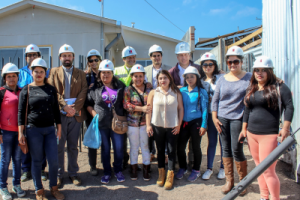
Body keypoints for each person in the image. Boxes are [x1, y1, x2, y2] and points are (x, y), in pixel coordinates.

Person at [239, 56, 294, 200]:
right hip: (252, 135)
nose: (259, 73)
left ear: (270, 71)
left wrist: (286, 128)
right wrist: (244, 129)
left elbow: (289, 106)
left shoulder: (279, 87)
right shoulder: (252, 87)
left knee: (268, 171)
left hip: (268, 136)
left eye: (264, 70)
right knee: (259, 168)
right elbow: (247, 109)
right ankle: (264, 196)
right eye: (257, 70)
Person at [18, 58, 64, 200]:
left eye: (41, 72)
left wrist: (59, 128)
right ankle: (39, 190)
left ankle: (54, 188)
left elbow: (56, 110)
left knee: (53, 160)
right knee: (37, 161)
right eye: (36, 71)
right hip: (33, 131)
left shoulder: (50, 89)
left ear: (45, 73)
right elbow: (21, 112)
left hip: (50, 130)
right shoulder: (26, 90)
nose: (38, 74)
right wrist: (21, 132)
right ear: (31, 73)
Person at [211, 46, 251, 195]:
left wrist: (277, 80)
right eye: (230, 62)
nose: (233, 64)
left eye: (236, 61)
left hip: (238, 118)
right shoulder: (222, 79)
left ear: (241, 61)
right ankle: (230, 181)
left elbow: (264, 80)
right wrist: (214, 118)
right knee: (225, 148)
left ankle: (243, 182)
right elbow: (215, 100)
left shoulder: (249, 77)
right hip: (222, 118)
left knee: (236, 149)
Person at [48, 44, 87, 187]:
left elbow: (84, 90)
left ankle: (73, 173)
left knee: (73, 146)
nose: (67, 58)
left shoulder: (81, 73)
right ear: (60, 57)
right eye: (64, 55)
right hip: (59, 115)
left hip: (75, 115)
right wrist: (64, 106)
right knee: (59, 146)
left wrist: (74, 109)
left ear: (73, 57)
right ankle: (59, 174)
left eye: (69, 55)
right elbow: (52, 90)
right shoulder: (53, 72)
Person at [86, 59, 126, 184]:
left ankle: (118, 169)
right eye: (103, 72)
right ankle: (107, 172)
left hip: (117, 123)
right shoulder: (95, 88)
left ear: (113, 73)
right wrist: (94, 115)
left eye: (108, 72)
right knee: (105, 149)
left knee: (119, 148)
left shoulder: (121, 86)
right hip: (102, 124)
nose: (106, 75)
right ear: (99, 74)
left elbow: (126, 101)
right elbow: (88, 104)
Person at [146, 70, 184, 190]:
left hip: (173, 126)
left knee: (172, 151)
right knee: (160, 150)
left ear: (169, 79)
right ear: (158, 80)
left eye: (165, 78)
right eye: (161, 78)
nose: (163, 80)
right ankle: (161, 173)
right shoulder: (153, 92)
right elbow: (148, 110)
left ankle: (170, 174)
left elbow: (181, 109)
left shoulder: (176, 92)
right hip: (158, 126)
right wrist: (148, 125)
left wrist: (179, 125)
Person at [18, 44, 48, 182]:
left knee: (40, 143)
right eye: (29, 55)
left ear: (39, 56)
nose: (32, 57)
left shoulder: (45, 72)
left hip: (41, 113)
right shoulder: (20, 73)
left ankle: (41, 168)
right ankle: (26, 169)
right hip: (25, 113)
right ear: (26, 58)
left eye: (34, 54)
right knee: (25, 140)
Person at [176, 67, 208, 182]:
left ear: (197, 77)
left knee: (195, 147)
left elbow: (204, 110)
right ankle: (183, 167)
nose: (189, 79)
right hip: (184, 122)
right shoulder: (182, 91)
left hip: (196, 122)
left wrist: (204, 125)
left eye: (192, 76)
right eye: (187, 77)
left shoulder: (201, 91)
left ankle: (196, 170)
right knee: (180, 148)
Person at [0, 63, 26, 200]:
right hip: (5, 132)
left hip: (20, 132)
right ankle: (3, 187)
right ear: (4, 78)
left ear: (17, 77)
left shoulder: (22, 91)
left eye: (14, 76)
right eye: (8, 76)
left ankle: (17, 184)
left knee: (17, 159)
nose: (11, 79)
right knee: (5, 160)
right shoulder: (1, 92)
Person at [123, 64, 152, 181]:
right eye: (136, 76)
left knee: (145, 146)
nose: (138, 78)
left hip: (145, 124)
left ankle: (146, 169)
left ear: (144, 76)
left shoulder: (149, 89)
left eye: (140, 76)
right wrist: (142, 109)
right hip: (132, 124)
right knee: (134, 147)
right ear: (132, 77)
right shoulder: (128, 90)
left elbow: (151, 105)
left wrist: (146, 109)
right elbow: (126, 104)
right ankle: (133, 169)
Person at [199, 52, 225, 180]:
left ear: (215, 65)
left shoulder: (222, 77)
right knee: (212, 142)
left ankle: (223, 168)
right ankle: (209, 168)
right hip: (209, 115)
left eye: (210, 64)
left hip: (222, 114)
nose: (208, 67)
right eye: (205, 65)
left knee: (223, 142)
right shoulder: (200, 81)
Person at [144, 44, 171, 162]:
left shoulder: (169, 69)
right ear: (150, 57)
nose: (156, 58)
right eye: (154, 56)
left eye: (158, 55)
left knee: (164, 127)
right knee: (150, 128)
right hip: (151, 102)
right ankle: (151, 152)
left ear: (161, 56)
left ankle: (165, 153)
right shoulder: (145, 71)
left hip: (165, 103)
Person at [114, 46, 138, 170]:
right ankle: (123, 161)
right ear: (123, 58)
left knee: (134, 138)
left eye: (133, 57)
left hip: (135, 109)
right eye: (129, 58)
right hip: (121, 109)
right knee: (122, 137)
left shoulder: (139, 70)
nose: (131, 59)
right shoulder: (116, 71)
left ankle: (134, 163)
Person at [85, 49, 102, 176]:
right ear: (88, 62)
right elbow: (81, 93)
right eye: (91, 60)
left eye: (96, 59)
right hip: (90, 112)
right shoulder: (85, 76)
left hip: (104, 111)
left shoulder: (104, 74)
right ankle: (93, 165)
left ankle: (106, 163)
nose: (94, 62)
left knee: (106, 138)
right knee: (92, 138)